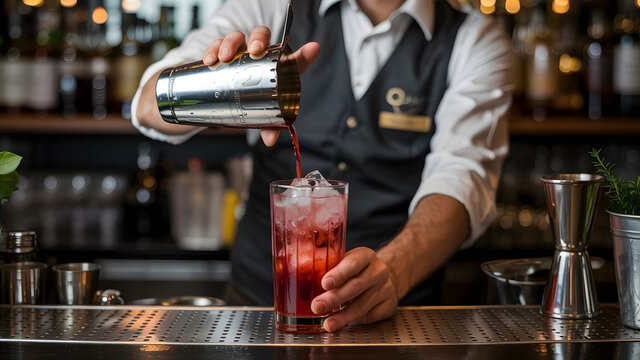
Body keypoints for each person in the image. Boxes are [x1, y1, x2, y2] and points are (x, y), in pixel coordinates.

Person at [132, 0, 513, 332]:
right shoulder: (274, 8)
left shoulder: (475, 37)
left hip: (396, 317)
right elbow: (148, 106)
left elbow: (463, 177)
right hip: (258, 307)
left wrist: (395, 270)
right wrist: (222, 84)